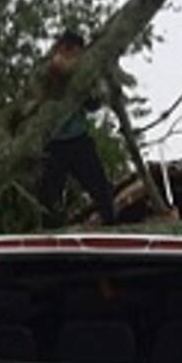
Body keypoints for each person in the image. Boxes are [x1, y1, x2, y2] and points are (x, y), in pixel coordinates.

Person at [36, 31, 115, 227]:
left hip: (77, 139)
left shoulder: (83, 74)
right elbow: (58, 68)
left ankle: (110, 221)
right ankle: (50, 232)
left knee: (100, 188)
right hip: (52, 142)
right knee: (49, 196)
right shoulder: (49, 66)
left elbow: (93, 104)